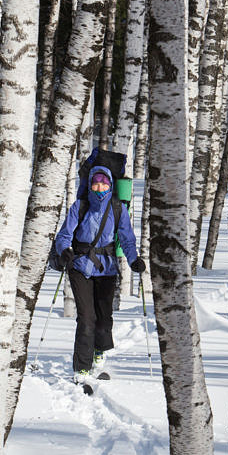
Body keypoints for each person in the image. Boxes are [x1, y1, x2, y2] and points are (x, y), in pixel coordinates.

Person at [55, 164, 146, 383]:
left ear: (110, 185)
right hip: (80, 266)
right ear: (90, 185)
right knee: (86, 318)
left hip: (107, 268)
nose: (99, 187)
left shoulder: (118, 208)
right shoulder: (80, 205)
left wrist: (134, 260)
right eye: (95, 182)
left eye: (103, 183)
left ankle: (99, 349)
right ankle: (81, 368)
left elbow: (127, 237)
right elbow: (64, 234)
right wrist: (64, 251)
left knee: (104, 319)